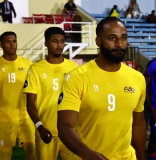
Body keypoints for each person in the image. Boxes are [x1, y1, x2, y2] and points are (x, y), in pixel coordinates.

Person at [57, 17, 146, 160]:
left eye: (123, 38)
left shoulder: (137, 78)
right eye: (112, 38)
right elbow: (65, 126)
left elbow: (138, 124)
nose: (119, 44)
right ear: (98, 41)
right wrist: (86, 153)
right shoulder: (77, 77)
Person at [23, 27, 79, 159]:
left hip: (71, 131)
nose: (59, 45)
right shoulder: (35, 69)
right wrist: (39, 126)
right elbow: (30, 103)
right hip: (46, 131)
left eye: (62, 41)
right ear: (46, 43)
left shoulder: (73, 68)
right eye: (55, 41)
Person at [0, 31, 35, 160]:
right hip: (3, 119)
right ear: (1, 45)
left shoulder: (27, 64)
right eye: (8, 42)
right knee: (4, 156)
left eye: (14, 41)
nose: (12, 44)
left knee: (33, 152)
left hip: (25, 117)